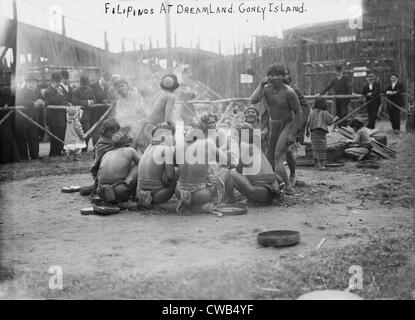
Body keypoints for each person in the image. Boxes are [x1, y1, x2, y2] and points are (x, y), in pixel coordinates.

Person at [250, 64, 303, 195]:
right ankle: (275, 184)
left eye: (278, 75)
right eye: (271, 75)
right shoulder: (266, 89)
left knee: (278, 155)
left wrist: (293, 133)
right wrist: (261, 85)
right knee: (269, 156)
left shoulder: (289, 92)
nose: (274, 78)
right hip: (272, 123)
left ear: (283, 77)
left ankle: (289, 187)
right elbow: (253, 100)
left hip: (287, 123)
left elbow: (298, 113)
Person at [175, 126, 228, 214]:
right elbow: (225, 160)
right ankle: (200, 206)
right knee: (225, 172)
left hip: (179, 192)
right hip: (200, 194)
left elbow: (177, 165)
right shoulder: (208, 144)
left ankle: (187, 203)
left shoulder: (179, 145)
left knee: (177, 171)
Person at [225, 125, 282, 204]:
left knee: (231, 172)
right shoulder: (258, 148)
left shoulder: (245, 146)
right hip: (271, 195)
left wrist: (233, 166)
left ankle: (230, 198)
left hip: (258, 193)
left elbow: (239, 169)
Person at [136, 122, 177, 209]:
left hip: (139, 194)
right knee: (178, 171)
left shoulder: (148, 148)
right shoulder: (166, 149)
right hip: (156, 196)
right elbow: (170, 177)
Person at [96, 131, 140, 203]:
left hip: (101, 192)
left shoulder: (106, 154)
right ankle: (134, 198)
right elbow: (142, 164)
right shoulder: (130, 151)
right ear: (127, 142)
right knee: (138, 165)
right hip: (119, 191)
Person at [80, 119, 120, 196]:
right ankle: (97, 185)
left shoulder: (115, 141)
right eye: (113, 132)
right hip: (102, 172)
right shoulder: (103, 144)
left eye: (117, 131)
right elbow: (99, 162)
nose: (116, 134)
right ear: (105, 132)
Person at [113, 77, 151, 153]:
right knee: (131, 148)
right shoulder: (119, 103)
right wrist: (127, 124)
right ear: (116, 90)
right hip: (129, 127)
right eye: (118, 87)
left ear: (127, 86)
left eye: (122, 86)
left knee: (144, 146)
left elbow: (144, 109)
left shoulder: (136, 96)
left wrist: (146, 119)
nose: (120, 88)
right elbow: (120, 117)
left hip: (141, 124)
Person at [14, 73, 45, 160]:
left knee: (34, 137)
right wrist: (33, 104)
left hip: (34, 120)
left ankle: (35, 155)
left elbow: (43, 101)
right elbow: (19, 101)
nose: (31, 85)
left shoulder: (38, 92)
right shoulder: (21, 92)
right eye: (29, 83)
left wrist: (42, 102)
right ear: (26, 83)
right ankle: (23, 156)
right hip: (23, 119)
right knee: (22, 138)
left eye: (33, 83)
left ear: (36, 84)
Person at [305, 97, 339, 170]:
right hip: (321, 132)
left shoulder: (312, 112)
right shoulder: (325, 112)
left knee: (315, 148)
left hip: (313, 131)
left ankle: (316, 164)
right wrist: (335, 119)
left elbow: (308, 122)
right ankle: (320, 164)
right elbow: (329, 122)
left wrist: (307, 131)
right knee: (322, 148)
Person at [44, 72, 70, 157]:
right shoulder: (48, 91)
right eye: (56, 82)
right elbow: (50, 102)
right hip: (53, 118)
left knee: (62, 134)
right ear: (52, 82)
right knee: (54, 135)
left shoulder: (61, 88)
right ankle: (54, 152)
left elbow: (66, 99)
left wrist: (67, 103)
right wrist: (58, 93)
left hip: (62, 117)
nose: (58, 84)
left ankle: (61, 151)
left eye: (58, 81)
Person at [72, 75, 96, 151]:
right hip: (78, 115)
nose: (85, 86)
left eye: (86, 84)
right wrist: (88, 102)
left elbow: (94, 99)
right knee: (78, 132)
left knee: (87, 131)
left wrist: (92, 101)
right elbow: (75, 101)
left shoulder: (91, 90)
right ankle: (78, 149)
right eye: (83, 84)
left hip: (88, 115)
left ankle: (84, 148)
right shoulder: (76, 91)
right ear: (81, 83)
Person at [90, 71, 113, 146]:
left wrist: (108, 101)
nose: (107, 83)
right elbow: (92, 97)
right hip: (95, 112)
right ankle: (95, 145)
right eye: (106, 81)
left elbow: (107, 97)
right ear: (103, 78)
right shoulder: (93, 85)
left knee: (103, 129)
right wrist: (101, 100)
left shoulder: (106, 87)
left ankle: (102, 144)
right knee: (95, 129)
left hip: (104, 112)